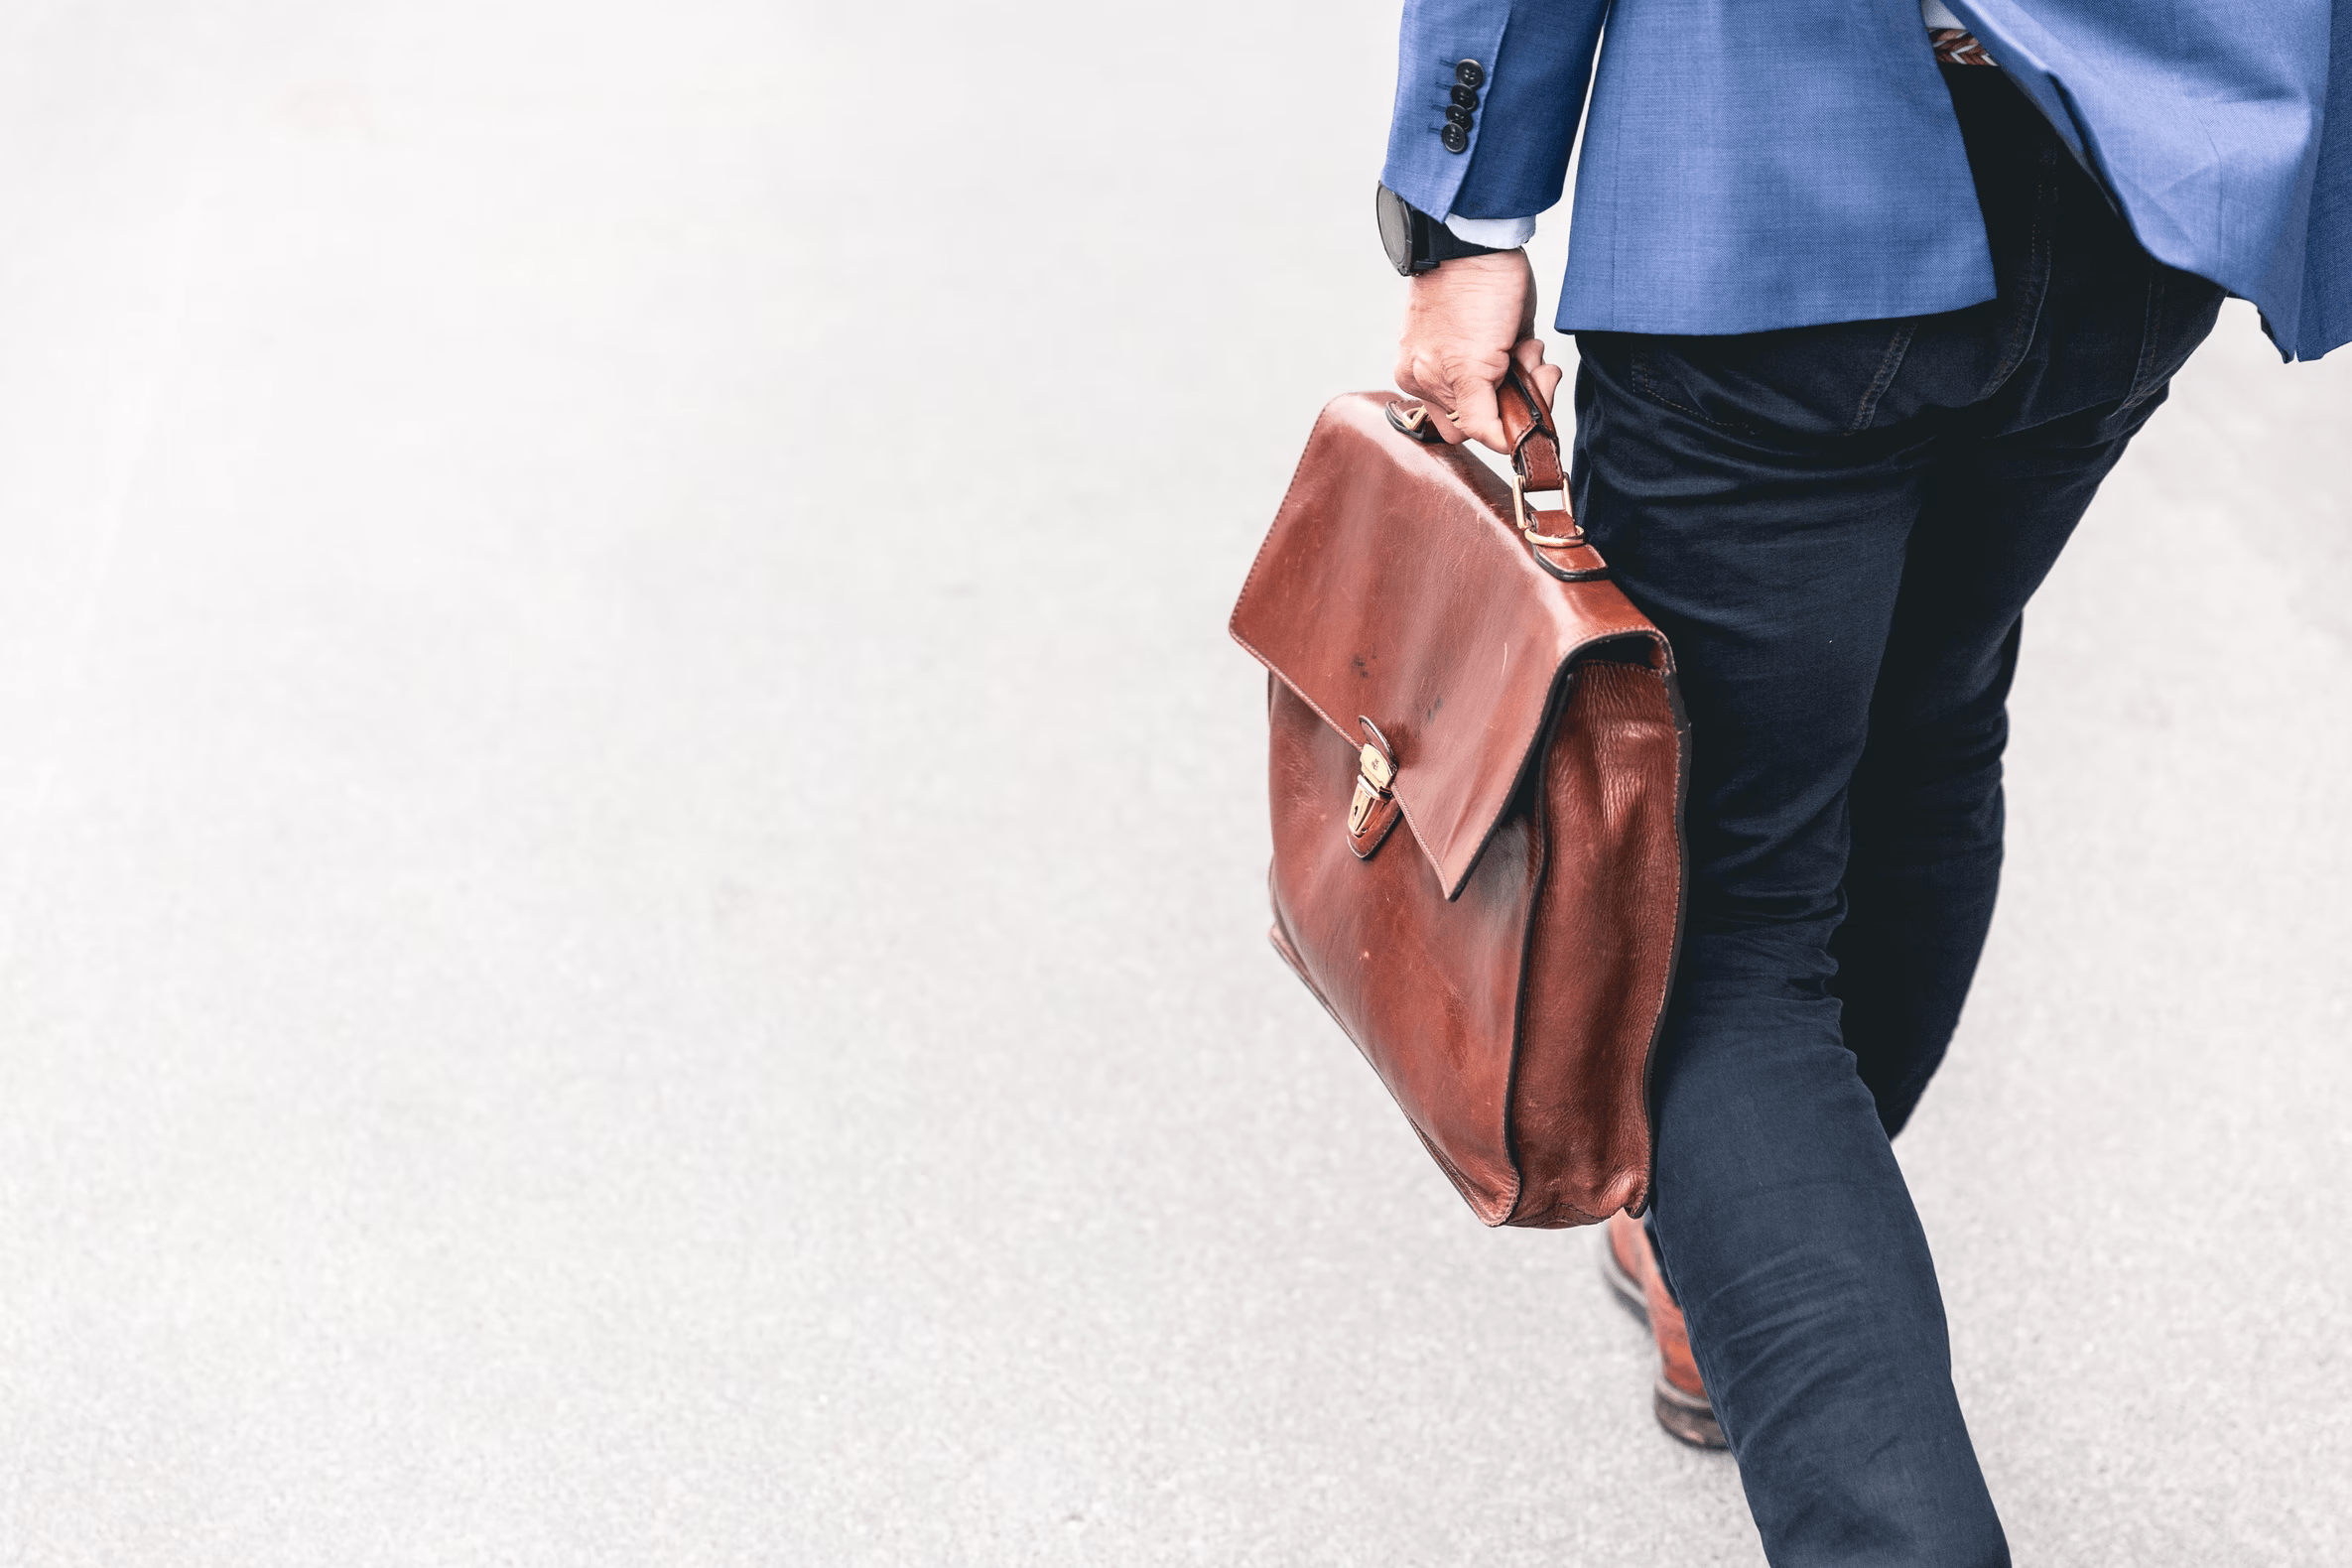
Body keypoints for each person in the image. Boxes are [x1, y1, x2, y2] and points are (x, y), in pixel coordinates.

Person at [1372, 2, 2348, 1563]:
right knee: (1930, 718)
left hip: (1775, 179)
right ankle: (1744, 1256)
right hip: (2142, 189)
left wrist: (1466, 210)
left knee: (1717, 922)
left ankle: (1789, 1321)